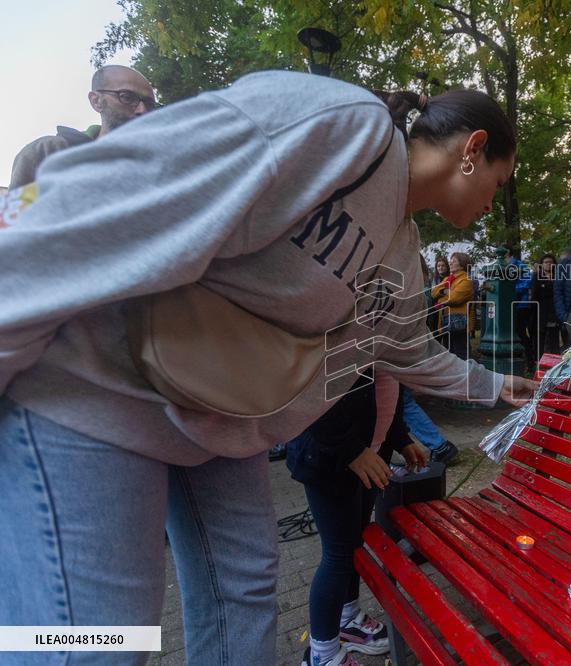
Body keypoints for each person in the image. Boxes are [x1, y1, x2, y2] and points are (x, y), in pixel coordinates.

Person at [0, 71, 535, 664]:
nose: (495, 200)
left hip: (221, 425)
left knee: (247, 598)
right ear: (473, 149)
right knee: (100, 639)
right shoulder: (344, 129)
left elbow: (407, 349)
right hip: (99, 388)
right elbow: (123, 181)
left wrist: (495, 385)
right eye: (502, 180)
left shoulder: (405, 250)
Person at [285, 372, 423, 666]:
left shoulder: (390, 333)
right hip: (332, 459)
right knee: (338, 554)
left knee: (354, 546)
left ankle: (347, 620)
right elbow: (312, 393)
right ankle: (322, 653)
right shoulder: (338, 330)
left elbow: (388, 388)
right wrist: (352, 451)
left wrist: (400, 438)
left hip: (370, 455)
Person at [9, 65, 157, 189]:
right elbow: (13, 221)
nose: (142, 110)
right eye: (127, 97)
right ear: (96, 101)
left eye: (149, 104)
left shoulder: (156, 168)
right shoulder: (48, 151)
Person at [431, 252, 475, 360]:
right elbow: (433, 292)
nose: (450, 263)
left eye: (453, 261)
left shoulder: (466, 280)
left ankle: (468, 375)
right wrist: (446, 292)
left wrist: (444, 292)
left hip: (459, 322)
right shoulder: (448, 279)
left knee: (461, 354)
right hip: (445, 321)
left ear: (462, 264)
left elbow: (455, 298)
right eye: (450, 260)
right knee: (450, 353)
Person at [530, 253, 561, 362]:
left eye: (550, 262)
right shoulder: (536, 276)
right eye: (546, 262)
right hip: (540, 313)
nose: (548, 264)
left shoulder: (559, 276)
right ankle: (540, 363)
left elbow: (559, 293)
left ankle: (555, 364)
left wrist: (545, 286)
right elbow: (535, 294)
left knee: (554, 340)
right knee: (540, 340)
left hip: (555, 312)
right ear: (541, 264)